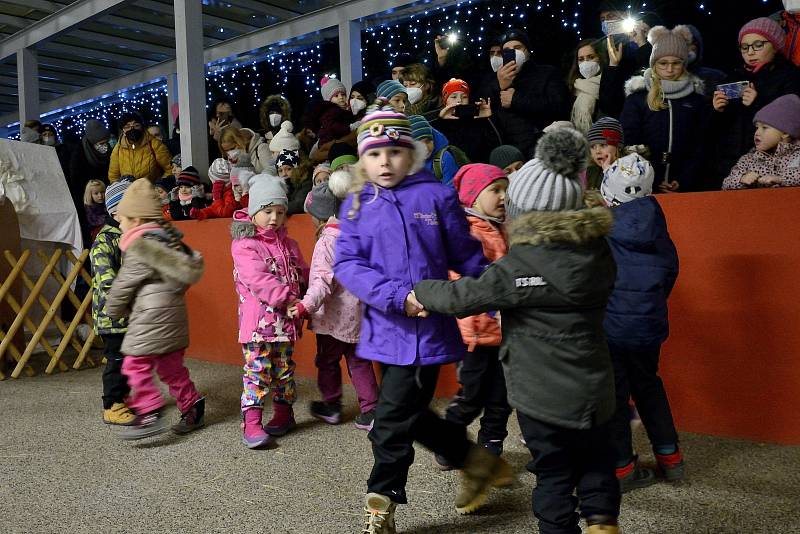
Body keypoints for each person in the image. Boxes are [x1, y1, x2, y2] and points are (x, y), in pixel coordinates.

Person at [413, 128, 621, 534]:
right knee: (597, 463)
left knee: (555, 474)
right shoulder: (599, 253)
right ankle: (601, 522)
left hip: (541, 395)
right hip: (596, 389)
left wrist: (420, 290)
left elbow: (464, 296)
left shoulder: (520, 265)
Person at [334, 107, 508, 530]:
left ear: (410, 153)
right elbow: (348, 264)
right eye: (374, 155)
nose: (385, 163)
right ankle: (476, 462)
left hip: (429, 332)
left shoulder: (435, 196)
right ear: (363, 160)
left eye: (394, 152)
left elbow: (463, 253)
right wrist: (398, 297)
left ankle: (381, 502)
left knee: (391, 421)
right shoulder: (357, 204)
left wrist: (492, 292)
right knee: (408, 413)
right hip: (387, 327)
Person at [598, 152, 683, 493]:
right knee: (649, 385)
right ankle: (670, 458)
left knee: (616, 397)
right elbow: (669, 276)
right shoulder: (660, 233)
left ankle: (622, 469)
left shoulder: (602, 234)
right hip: (649, 328)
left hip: (611, 330)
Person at [106, 178, 206, 439]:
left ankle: (149, 410)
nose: (119, 223)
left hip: (150, 319)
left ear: (137, 221)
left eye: (123, 218)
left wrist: (112, 309)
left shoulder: (141, 248)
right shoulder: (171, 245)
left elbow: (124, 284)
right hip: (174, 321)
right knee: (172, 370)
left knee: (133, 364)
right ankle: (193, 404)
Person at [434, 163, 513, 471]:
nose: (503, 197)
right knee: (472, 395)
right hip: (476, 334)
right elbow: (466, 284)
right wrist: (493, 309)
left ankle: (490, 446)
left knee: (502, 396)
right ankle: (449, 443)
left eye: (505, 190)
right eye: (495, 190)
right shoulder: (467, 233)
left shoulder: (501, 230)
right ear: (471, 196)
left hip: (503, 333)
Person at [288, 178, 379, 430]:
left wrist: (306, 306)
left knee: (327, 362)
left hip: (331, 319)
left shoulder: (327, 241)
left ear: (321, 215)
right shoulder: (360, 236)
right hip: (359, 316)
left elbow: (321, 283)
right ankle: (371, 411)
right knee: (359, 361)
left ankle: (332, 406)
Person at [230, 173, 309, 449]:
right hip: (258, 326)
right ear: (253, 212)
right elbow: (260, 280)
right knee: (257, 371)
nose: (274, 218)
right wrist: (288, 300)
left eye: (280, 211)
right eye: (267, 211)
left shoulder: (289, 245)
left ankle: (284, 415)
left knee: (284, 370)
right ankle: (251, 423)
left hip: (286, 324)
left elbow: (302, 274)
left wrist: (309, 297)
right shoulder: (244, 245)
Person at [620, 26, 709, 192]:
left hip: (686, 186)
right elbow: (628, 141)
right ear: (654, 64)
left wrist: (683, 180)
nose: (669, 69)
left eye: (676, 63)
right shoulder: (638, 98)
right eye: (663, 63)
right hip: (645, 184)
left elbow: (700, 145)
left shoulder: (696, 100)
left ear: (684, 63)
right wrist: (649, 177)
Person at [712, 17, 800, 182]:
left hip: (772, 164)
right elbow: (717, 131)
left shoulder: (790, 76)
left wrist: (757, 103)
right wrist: (717, 110)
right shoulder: (732, 77)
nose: (750, 52)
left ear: (775, 45)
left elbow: (791, 123)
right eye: (744, 47)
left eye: (758, 45)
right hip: (731, 164)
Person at [480, 28, 571, 158]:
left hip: (546, 149)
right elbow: (483, 111)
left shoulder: (547, 73)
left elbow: (561, 107)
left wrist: (516, 99)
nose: (513, 52)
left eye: (517, 47)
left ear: (527, 51)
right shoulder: (493, 81)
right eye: (507, 51)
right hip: (513, 158)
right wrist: (499, 86)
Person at [91, 178, 133, 426]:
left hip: (132, 315)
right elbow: (106, 279)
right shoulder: (104, 241)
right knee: (117, 360)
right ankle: (112, 405)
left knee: (132, 358)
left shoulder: (133, 236)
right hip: (112, 316)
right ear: (115, 211)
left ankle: (125, 397)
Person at [723, 94, 800, 190]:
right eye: (757, 127)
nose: (757, 133)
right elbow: (726, 184)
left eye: (764, 128)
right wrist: (741, 179)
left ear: (785, 133)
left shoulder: (797, 157)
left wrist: (781, 179)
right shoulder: (749, 159)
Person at [432, 78, 501, 164]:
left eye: (464, 97)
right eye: (453, 97)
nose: (459, 101)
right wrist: (441, 120)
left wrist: (488, 119)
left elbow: (496, 146)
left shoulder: (477, 121)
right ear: (445, 101)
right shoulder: (438, 124)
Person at [108, 112, 172, 183]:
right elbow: (113, 177)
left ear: (142, 127)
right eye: (127, 126)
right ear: (123, 130)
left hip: (151, 191)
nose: (132, 129)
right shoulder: (118, 149)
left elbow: (170, 169)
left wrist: (159, 186)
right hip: (128, 192)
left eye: (136, 125)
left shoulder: (154, 145)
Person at [409, 114, 467, 186]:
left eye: (428, 141)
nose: (425, 148)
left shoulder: (444, 159)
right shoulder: (406, 165)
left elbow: (452, 192)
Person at [568, 38, 609, 134]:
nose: (585, 62)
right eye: (581, 59)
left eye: (591, 57)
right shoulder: (573, 87)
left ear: (600, 57)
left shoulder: (609, 82)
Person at [679, 24, 727, 100]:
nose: (685, 48)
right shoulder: (665, 77)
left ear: (698, 46)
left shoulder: (716, 77)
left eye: (690, 43)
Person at [586, 117, 628, 189]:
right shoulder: (591, 170)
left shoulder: (631, 167)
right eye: (593, 147)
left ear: (618, 147)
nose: (597, 151)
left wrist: (609, 171)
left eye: (603, 145)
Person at [317, 77, 356, 147]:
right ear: (329, 100)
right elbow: (332, 127)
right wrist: (349, 128)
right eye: (336, 96)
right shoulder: (331, 111)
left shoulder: (344, 110)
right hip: (328, 142)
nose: (341, 97)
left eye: (343, 94)